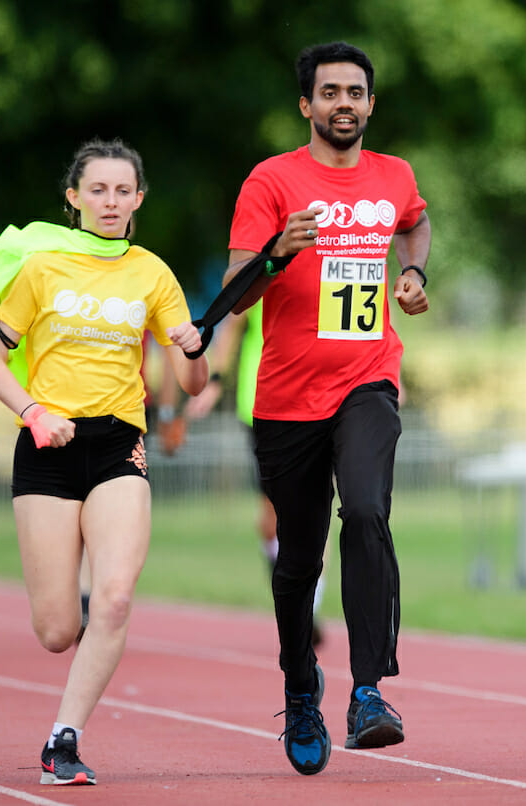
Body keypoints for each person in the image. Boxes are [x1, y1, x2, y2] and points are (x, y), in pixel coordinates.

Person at [223, 41, 430, 775]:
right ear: (306, 106)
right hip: (286, 397)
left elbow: (414, 218)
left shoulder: (394, 175)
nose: (344, 103)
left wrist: (412, 271)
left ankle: (369, 691)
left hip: (368, 379)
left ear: (371, 105)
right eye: (330, 92)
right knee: (298, 558)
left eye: (356, 93)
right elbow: (236, 294)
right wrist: (277, 253)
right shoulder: (271, 181)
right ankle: (300, 687)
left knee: (369, 511)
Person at [0, 138, 207, 786]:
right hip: (48, 446)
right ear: (73, 198)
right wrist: (33, 413)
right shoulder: (41, 270)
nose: (111, 201)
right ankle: (72, 631)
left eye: (122, 190)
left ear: (138, 198)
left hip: (118, 444)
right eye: (97, 190)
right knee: (57, 629)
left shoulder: (153, 274)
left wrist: (192, 348)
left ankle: (63, 738)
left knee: (114, 598)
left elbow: (191, 382)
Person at [184, 305, 326, 647]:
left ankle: (309, 609)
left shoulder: (329, 257)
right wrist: (215, 380)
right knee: (272, 517)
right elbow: (232, 325)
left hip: (319, 399)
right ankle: (285, 581)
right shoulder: (264, 261)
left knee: (317, 507)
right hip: (263, 403)